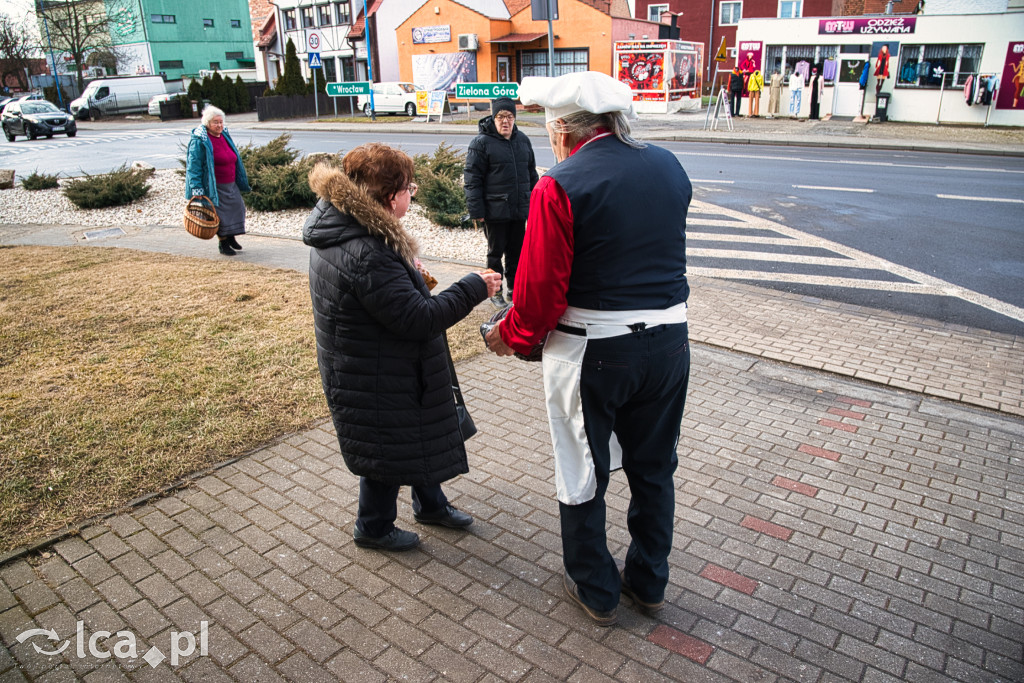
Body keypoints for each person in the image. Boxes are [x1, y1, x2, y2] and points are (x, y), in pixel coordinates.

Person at [483, 71, 692, 627]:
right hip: (670, 341)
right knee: (653, 467)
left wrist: (510, 337)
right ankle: (649, 580)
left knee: (581, 468)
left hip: (593, 349)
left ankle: (595, 585)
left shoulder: (560, 184)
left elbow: (540, 293)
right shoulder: (668, 166)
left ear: (562, 130)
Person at [303, 143, 502, 552]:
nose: (413, 194)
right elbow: (419, 318)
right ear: (388, 195)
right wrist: (472, 287)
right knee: (385, 447)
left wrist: (410, 276)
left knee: (415, 432)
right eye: (409, 187)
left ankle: (431, 504)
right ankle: (373, 527)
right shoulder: (367, 250)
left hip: (374, 360)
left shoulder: (349, 227)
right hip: (373, 370)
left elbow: (392, 302)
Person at [464, 97, 539, 307]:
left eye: (509, 116)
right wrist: (476, 210)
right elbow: (472, 179)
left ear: (514, 118)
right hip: (494, 211)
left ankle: (514, 289)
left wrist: (536, 201)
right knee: (495, 254)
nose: (505, 121)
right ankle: (494, 292)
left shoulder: (523, 140)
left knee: (517, 253)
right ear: (493, 118)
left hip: (518, 209)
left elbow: (531, 174)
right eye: (500, 117)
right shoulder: (481, 144)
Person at [185, 106, 250, 256]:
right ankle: (223, 243)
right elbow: (193, 166)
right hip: (214, 185)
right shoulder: (200, 141)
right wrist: (197, 188)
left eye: (221, 122)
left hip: (230, 183)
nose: (219, 125)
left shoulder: (224, 135)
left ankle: (231, 236)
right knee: (219, 215)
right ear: (207, 123)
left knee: (237, 208)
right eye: (216, 122)